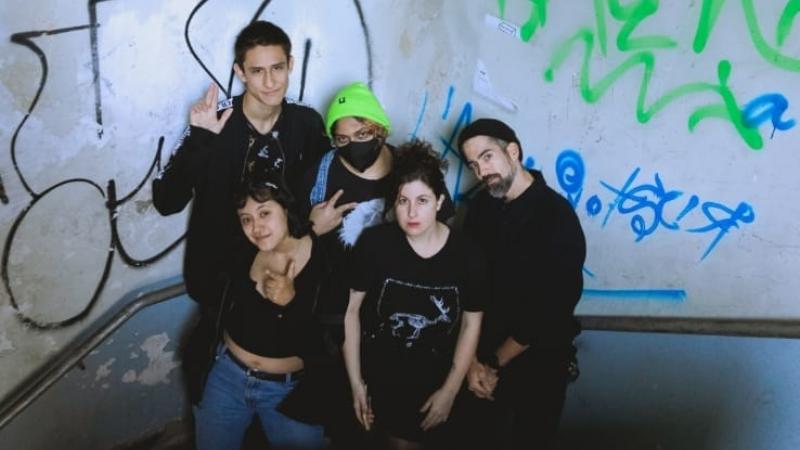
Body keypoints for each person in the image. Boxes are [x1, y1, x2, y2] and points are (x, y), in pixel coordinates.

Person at [151, 20, 329, 403]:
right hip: (220, 282)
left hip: (282, 275)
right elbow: (166, 201)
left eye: (277, 68)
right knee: (215, 380)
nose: (270, 81)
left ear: (291, 64)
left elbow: (326, 184)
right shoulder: (216, 120)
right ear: (240, 72)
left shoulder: (306, 124)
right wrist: (200, 139)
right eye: (257, 71)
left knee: (284, 377)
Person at [298, 83, 454, 448]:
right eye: (342, 138)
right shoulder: (320, 175)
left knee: (401, 423)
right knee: (348, 421)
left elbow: (442, 234)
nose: (353, 145)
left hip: (398, 320)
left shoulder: (412, 172)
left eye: (362, 134)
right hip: (338, 317)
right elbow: (289, 243)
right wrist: (310, 226)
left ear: (380, 130)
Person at [342, 140, 485, 449]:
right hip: (380, 372)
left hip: (437, 374)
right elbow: (351, 313)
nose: (411, 212)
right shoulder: (375, 244)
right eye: (403, 200)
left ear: (439, 202)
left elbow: (471, 323)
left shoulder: (468, 255)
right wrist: (356, 383)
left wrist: (450, 391)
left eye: (422, 200)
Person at [457, 118, 586, 449]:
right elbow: (466, 284)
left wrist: (492, 363)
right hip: (480, 359)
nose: (482, 172)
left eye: (487, 157)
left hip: (539, 365)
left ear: (513, 151)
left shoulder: (557, 217)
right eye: (473, 165)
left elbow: (551, 309)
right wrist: (471, 362)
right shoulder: (481, 209)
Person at [192, 169, 328, 450]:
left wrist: (290, 303)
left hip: (290, 391)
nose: (256, 227)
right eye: (246, 219)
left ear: (285, 208)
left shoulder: (323, 261)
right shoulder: (241, 251)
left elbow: (325, 348)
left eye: (264, 213)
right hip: (227, 378)